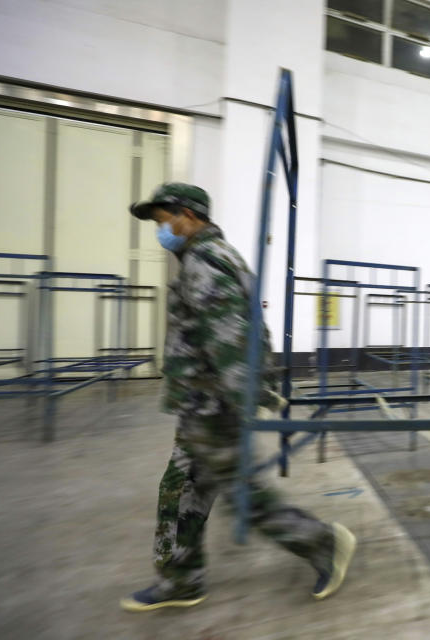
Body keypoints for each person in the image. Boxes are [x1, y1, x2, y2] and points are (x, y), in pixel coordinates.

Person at [120, 183, 355, 611]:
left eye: (163, 221)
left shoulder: (205, 262)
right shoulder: (211, 257)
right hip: (202, 404)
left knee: (245, 498)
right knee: (182, 490)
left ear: (188, 216)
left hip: (213, 407)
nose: (161, 231)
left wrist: (248, 398)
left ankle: (324, 544)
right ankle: (181, 580)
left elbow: (230, 336)